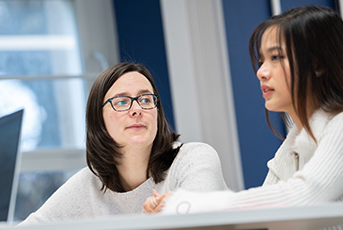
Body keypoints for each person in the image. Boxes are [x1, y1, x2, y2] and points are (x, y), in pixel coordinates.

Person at [143, 5, 343, 215]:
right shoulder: (290, 148)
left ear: (318, 64)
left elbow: (302, 194)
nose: (262, 72)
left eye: (276, 57)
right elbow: (259, 216)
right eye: (261, 61)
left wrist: (188, 205)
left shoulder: (339, 127)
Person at [20, 62, 228, 224]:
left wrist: (176, 208)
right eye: (121, 102)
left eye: (145, 99)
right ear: (98, 119)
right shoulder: (88, 184)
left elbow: (201, 213)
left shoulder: (194, 158)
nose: (137, 109)